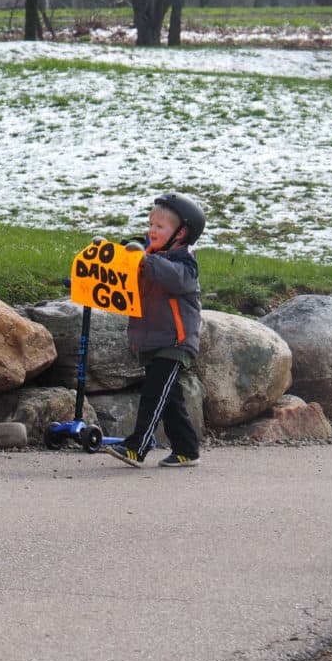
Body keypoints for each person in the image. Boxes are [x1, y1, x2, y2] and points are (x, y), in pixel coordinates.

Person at [103, 193, 205, 468]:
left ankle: (138, 446)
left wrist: (143, 260)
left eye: (160, 227)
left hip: (175, 340)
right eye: (150, 224)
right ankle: (187, 450)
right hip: (152, 339)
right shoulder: (148, 258)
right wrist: (104, 259)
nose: (151, 230)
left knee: (154, 394)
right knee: (169, 399)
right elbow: (122, 278)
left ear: (181, 233)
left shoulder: (185, 263)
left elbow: (173, 278)